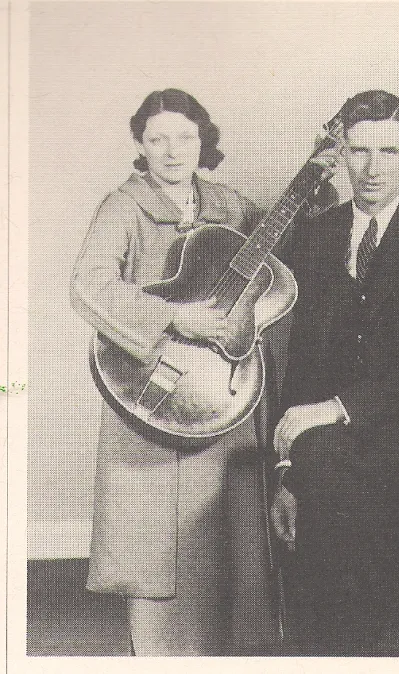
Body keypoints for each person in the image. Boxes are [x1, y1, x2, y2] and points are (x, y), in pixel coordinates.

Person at [70, 89, 334, 655]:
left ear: (202, 141)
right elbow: (89, 287)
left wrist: (317, 178)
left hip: (223, 395)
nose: (172, 151)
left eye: (185, 137)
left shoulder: (226, 205)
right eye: (158, 139)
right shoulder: (123, 206)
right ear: (141, 145)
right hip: (156, 393)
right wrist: (174, 317)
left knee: (231, 544)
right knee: (158, 555)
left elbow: (289, 246)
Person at [270, 90, 399, 655]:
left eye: (388, 151)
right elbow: (303, 363)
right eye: (358, 151)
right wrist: (286, 470)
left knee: (328, 472)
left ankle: (348, 648)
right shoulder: (316, 235)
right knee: (324, 468)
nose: (372, 167)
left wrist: (337, 411)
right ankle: (369, 644)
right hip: (334, 442)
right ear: (339, 153)